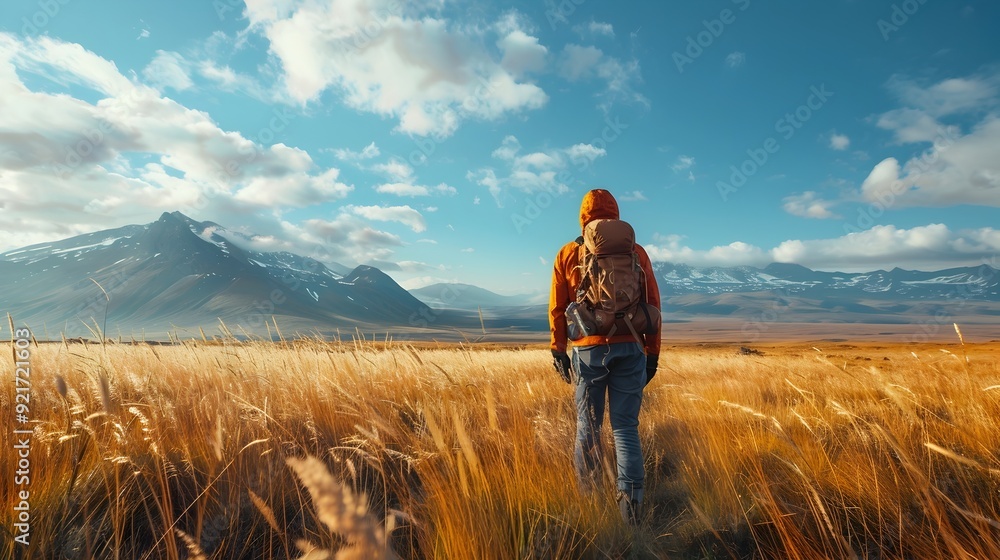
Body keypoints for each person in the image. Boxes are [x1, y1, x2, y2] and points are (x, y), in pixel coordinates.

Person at [548, 188, 661, 525]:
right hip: (631, 347)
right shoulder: (636, 251)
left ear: (583, 217)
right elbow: (653, 301)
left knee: (589, 428)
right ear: (615, 213)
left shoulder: (568, 252)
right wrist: (652, 353)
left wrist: (558, 350)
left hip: (588, 350)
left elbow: (557, 307)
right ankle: (631, 509)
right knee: (626, 428)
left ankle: (590, 503)